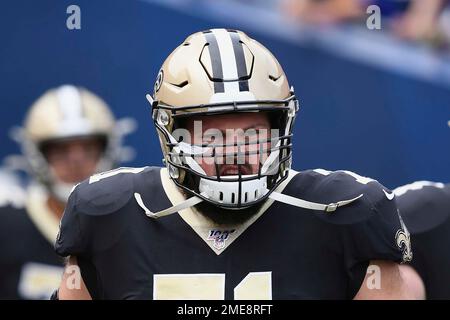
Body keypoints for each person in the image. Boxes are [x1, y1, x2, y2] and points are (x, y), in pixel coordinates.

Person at [55, 29, 414, 300]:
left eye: (251, 133)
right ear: (172, 135)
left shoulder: (348, 214)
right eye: (211, 135)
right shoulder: (110, 213)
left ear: (280, 128)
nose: (235, 152)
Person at [0, 85, 133, 299]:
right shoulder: (5, 228)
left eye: (88, 148)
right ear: (37, 156)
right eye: (60, 150)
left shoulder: (135, 225)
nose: (76, 162)